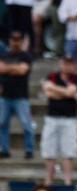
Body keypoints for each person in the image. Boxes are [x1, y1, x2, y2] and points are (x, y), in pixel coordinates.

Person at [41, 56, 77, 186]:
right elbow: (48, 93)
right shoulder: (52, 76)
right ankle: (48, 181)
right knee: (49, 151)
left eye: (70, 63)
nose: (67, 66)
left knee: (68, 151)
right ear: (61, 64)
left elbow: (72, 92)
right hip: (52, 118)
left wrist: (56, 90)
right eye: (65, 63)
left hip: (69, 119)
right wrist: (66, 93)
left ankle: (67, 181)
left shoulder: (76, 78)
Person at [0, 31, 35, 159]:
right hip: (5, 96)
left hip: (21, 96)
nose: (15, 42)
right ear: (9, 40)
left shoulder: (26, 56)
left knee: (26, 124)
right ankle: (4, 149)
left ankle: (29, 150)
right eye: (13, 39)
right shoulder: (4, 54)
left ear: (21, 41)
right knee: (2, 123)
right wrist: (15, 68)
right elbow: (1, 68)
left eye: (18, 39)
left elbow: (22, 71)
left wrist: (7, 68)